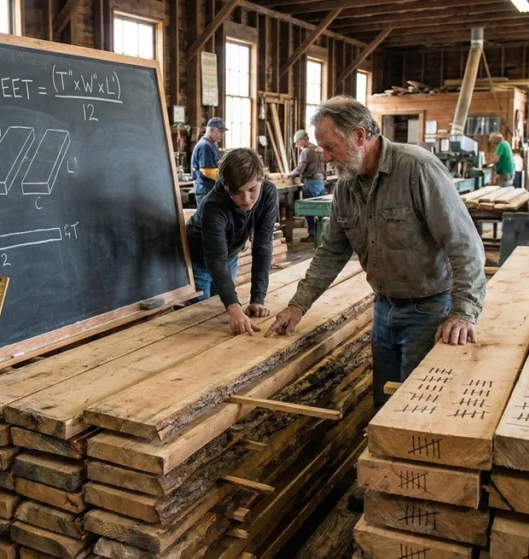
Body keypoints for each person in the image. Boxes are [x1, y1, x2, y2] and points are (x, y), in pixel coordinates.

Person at [265, 96, 486, 408]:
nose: (326, 157)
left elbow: (464, 244)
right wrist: (298, 305)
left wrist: (464, 312)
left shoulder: (417, 169)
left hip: (429, 311)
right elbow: (331, 252)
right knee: (384, 403)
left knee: (414, 409)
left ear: (359, 136)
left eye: (330, 147)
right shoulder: (345, 186)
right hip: (384, 310)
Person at [186, 148, 279, 335]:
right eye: (237, 192)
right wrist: (235, 309)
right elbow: (215, 259)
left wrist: (257, 299)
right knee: (198, 318)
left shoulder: (268, 193)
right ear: (226, 186)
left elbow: (263, 246)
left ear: (262, 179)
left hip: (230, 253)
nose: (246, 200)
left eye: (252, 189)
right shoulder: (213, 205)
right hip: (197, 258)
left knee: (223, 310)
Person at [288, 130, 327, 241]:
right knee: (319, 211)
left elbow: (300, 169)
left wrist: (288, 175)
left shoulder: (306, 151)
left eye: (297, 143)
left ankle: (312, 235)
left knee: (310, 210)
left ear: (303, 140)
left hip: (311, 183)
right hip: (320, 183)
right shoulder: (318, 149)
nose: (296, 146)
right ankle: (320, 234)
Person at [191, 117, 227, 206]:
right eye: (220, 132)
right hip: (205, 191)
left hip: (209, 190)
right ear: (211, 130)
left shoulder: (211, 145)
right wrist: (227, 177)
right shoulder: (205, 146)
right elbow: (207, 171)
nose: (222, 134)